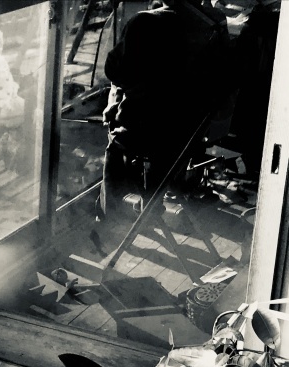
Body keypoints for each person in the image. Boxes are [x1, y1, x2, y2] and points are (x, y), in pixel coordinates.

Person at [97, 0, 232, 222]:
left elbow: (116, 72)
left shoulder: (144, 21)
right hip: (191, 131)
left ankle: (110, 215)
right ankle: (153, 199)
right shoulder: (216, 20)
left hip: (148, 134)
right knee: (159, 128)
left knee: (117, 140)